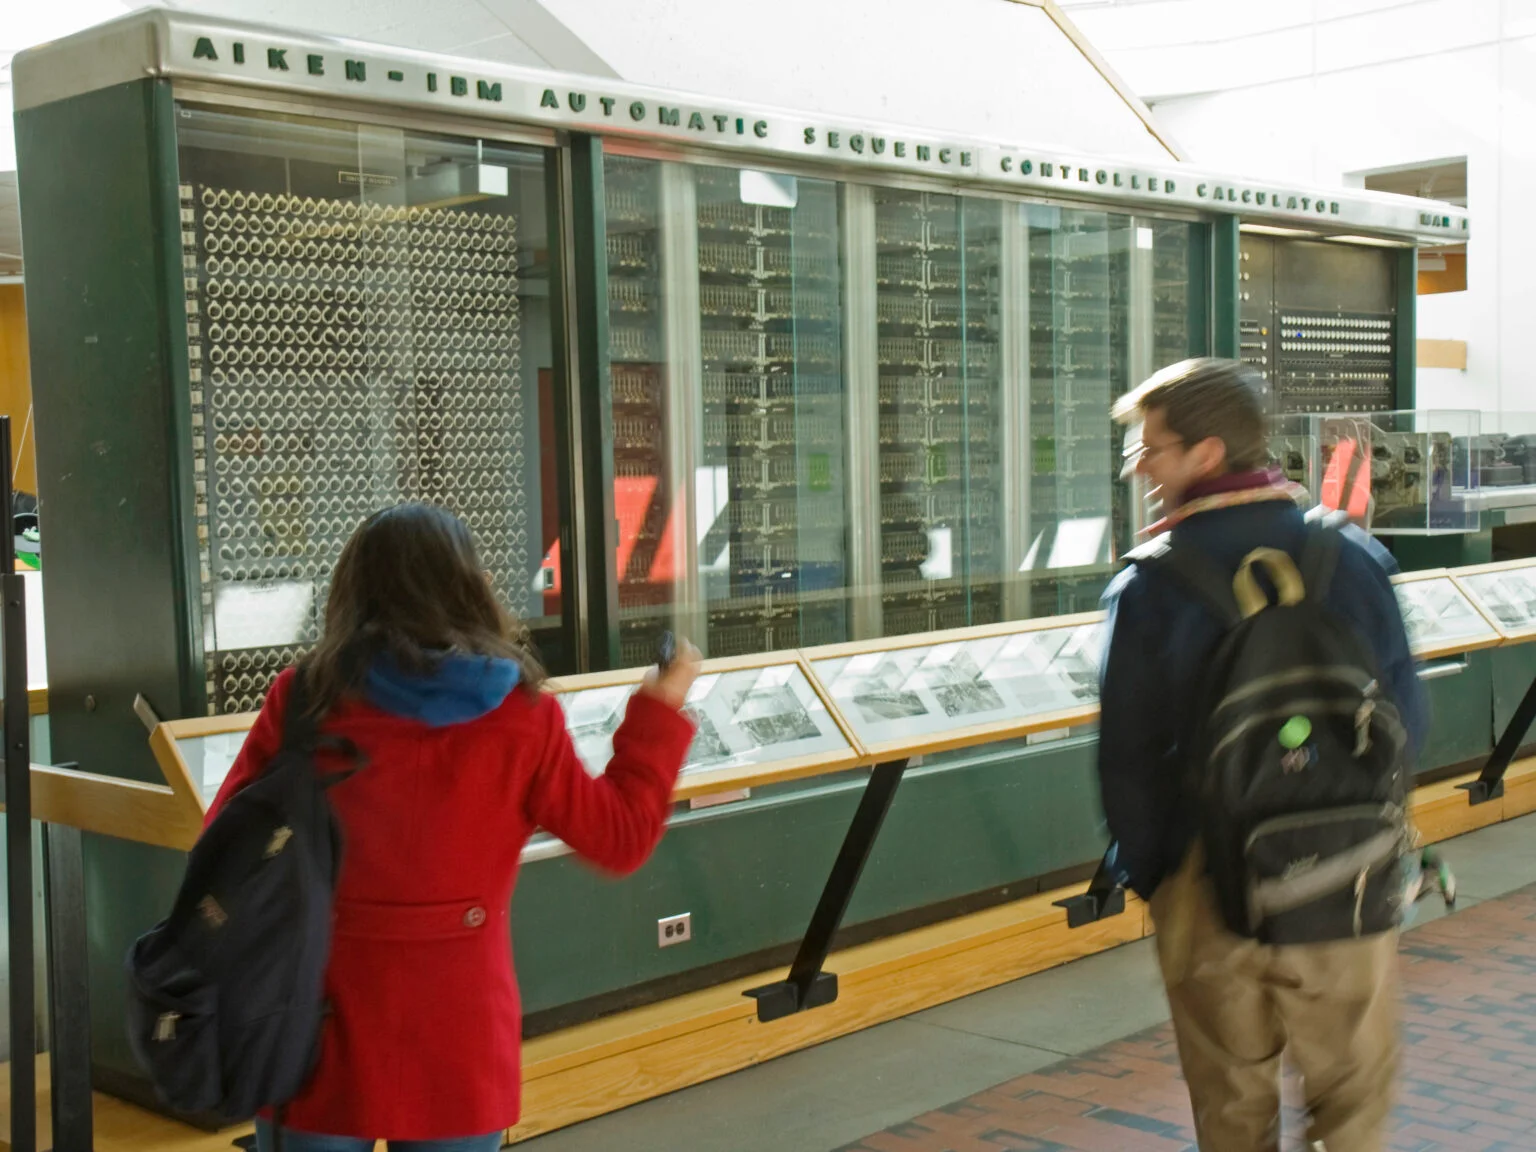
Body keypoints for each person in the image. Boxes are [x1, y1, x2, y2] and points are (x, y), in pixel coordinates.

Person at [205, 503, 700, 1152]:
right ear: (469, 588)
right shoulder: (521, 716)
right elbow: (620, 838)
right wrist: (659, 708)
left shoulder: (305, 699)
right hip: (460, 1031)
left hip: (310, 1022)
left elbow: (222, 842)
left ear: (352, 593)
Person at [1096, 358, 1427, 1152]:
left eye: (1151, 449)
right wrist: (1364, 829)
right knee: (1353, 1105)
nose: (1139, 469)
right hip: (1347, 874)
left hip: (1208, 878)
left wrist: (1162, 877)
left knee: (1232, 1107)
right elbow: (1406, 715)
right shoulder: (1352, 557)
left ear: (1207, 453)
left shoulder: (1150, 585)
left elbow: (1128, 758)